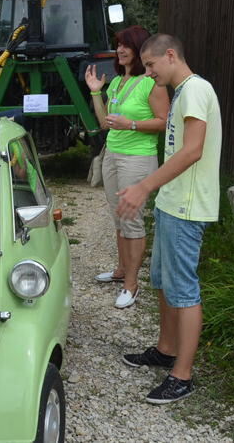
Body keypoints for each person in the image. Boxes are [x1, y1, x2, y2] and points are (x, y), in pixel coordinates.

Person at [116, 34, 222, 404]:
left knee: (183, 290)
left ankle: (183, 374)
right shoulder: (183, 93)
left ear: (171, 55)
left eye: (151, 65)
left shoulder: (195, 90)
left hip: (188, 208)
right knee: (162, 280)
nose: (148, 72)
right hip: (171, 203)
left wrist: (144, 186)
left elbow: (192, 151)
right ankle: (165, 350)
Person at [85, 25, 169, 308]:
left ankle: (132, 285)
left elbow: (163, 121)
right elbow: (104, 122)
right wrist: (96, 92)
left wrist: (131, 123)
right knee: (118, 217)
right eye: (117, 45)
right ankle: (121, 271)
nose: (119, 49)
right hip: (113, 154)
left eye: (125, 45)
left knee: (131, 220)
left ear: (139, 48)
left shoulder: (152, 82)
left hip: (137, 159)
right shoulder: (117, 82)